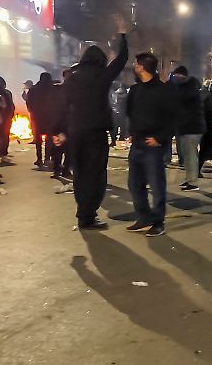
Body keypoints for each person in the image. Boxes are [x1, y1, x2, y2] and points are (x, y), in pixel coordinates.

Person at [62, 28, 129, 230]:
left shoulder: (71, 77)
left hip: (76, 130)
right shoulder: (102, 75)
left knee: (80, 172)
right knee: (96, 173)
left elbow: (63, 105)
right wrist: (123, 36)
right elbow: (121, 60)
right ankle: (88, 214)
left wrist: (61, 130)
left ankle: (82, 213)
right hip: (96, 131)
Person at [124, 51, 178, 235]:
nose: (134, 66)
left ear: (143, 67)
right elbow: (130, 112)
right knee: (134, 184)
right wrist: (132, 133)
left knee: (156, 185)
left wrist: (160, 138)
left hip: (153, 146)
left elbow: (173, 118)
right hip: (137, 144)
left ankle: (158, 222)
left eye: (136, 64)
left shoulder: (163, 91)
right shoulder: (135, 90)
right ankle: (144, 216)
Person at [24, 72, 58, 168]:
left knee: (38, 139)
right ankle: (47, 158)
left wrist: (31, 111)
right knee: (49, 138)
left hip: (36, 117)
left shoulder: (33, 89)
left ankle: (39, 159)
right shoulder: (53, 89)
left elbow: (28, 102)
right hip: (50, 117)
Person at [0, 76, 15, 158]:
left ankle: (0, 150)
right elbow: (11, 105)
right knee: (5, 135)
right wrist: (11, 115)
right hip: (6, 117)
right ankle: (3, 151)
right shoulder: (7, 93)